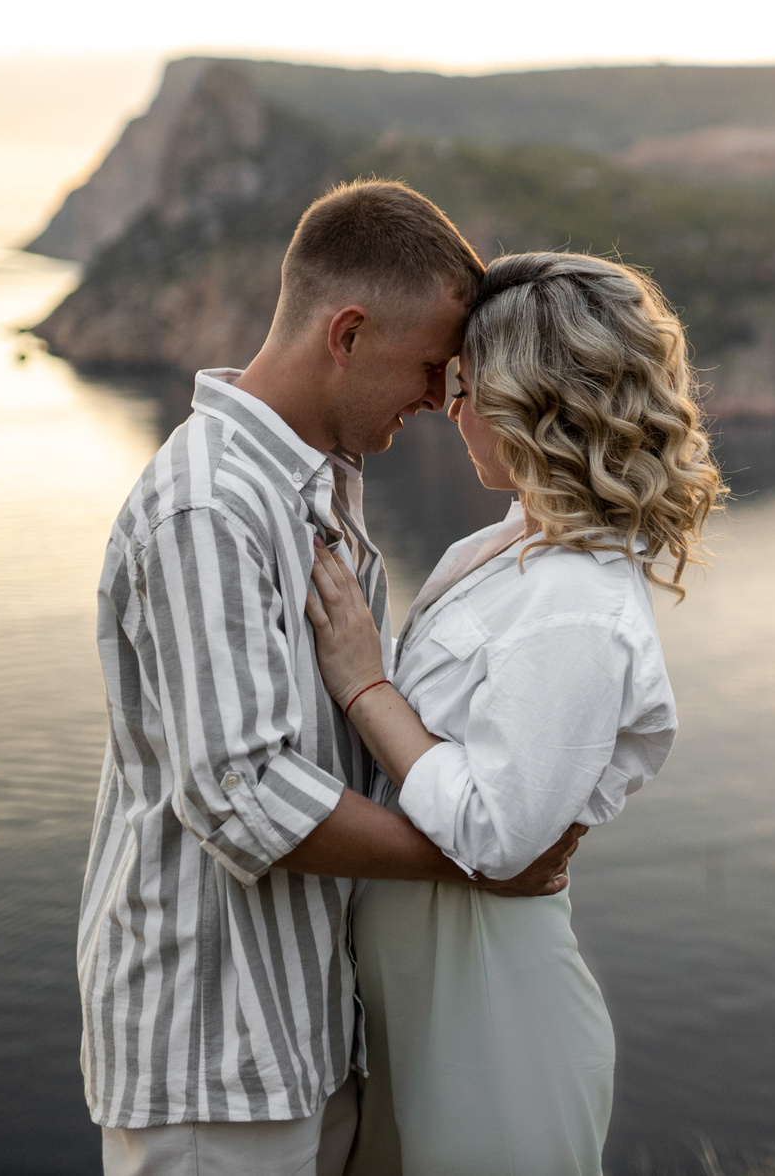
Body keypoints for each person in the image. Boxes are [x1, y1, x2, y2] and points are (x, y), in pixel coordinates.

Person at [77, 181, 587, 1176]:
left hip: (307, 1035)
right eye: (433, 367)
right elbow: (240, 792)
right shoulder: (208, 506)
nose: (443, 402)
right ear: (347, 332)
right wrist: (480, 859)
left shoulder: (313, 490)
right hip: (211, 1059)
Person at [300, 251, 725, 1176]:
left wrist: (364, 683)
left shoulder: (575, 599)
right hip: (422, 999)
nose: (449, 408)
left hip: (492, 1016)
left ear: (536, 403)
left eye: (469, 386)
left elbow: (498, 833)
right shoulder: (498, 548)